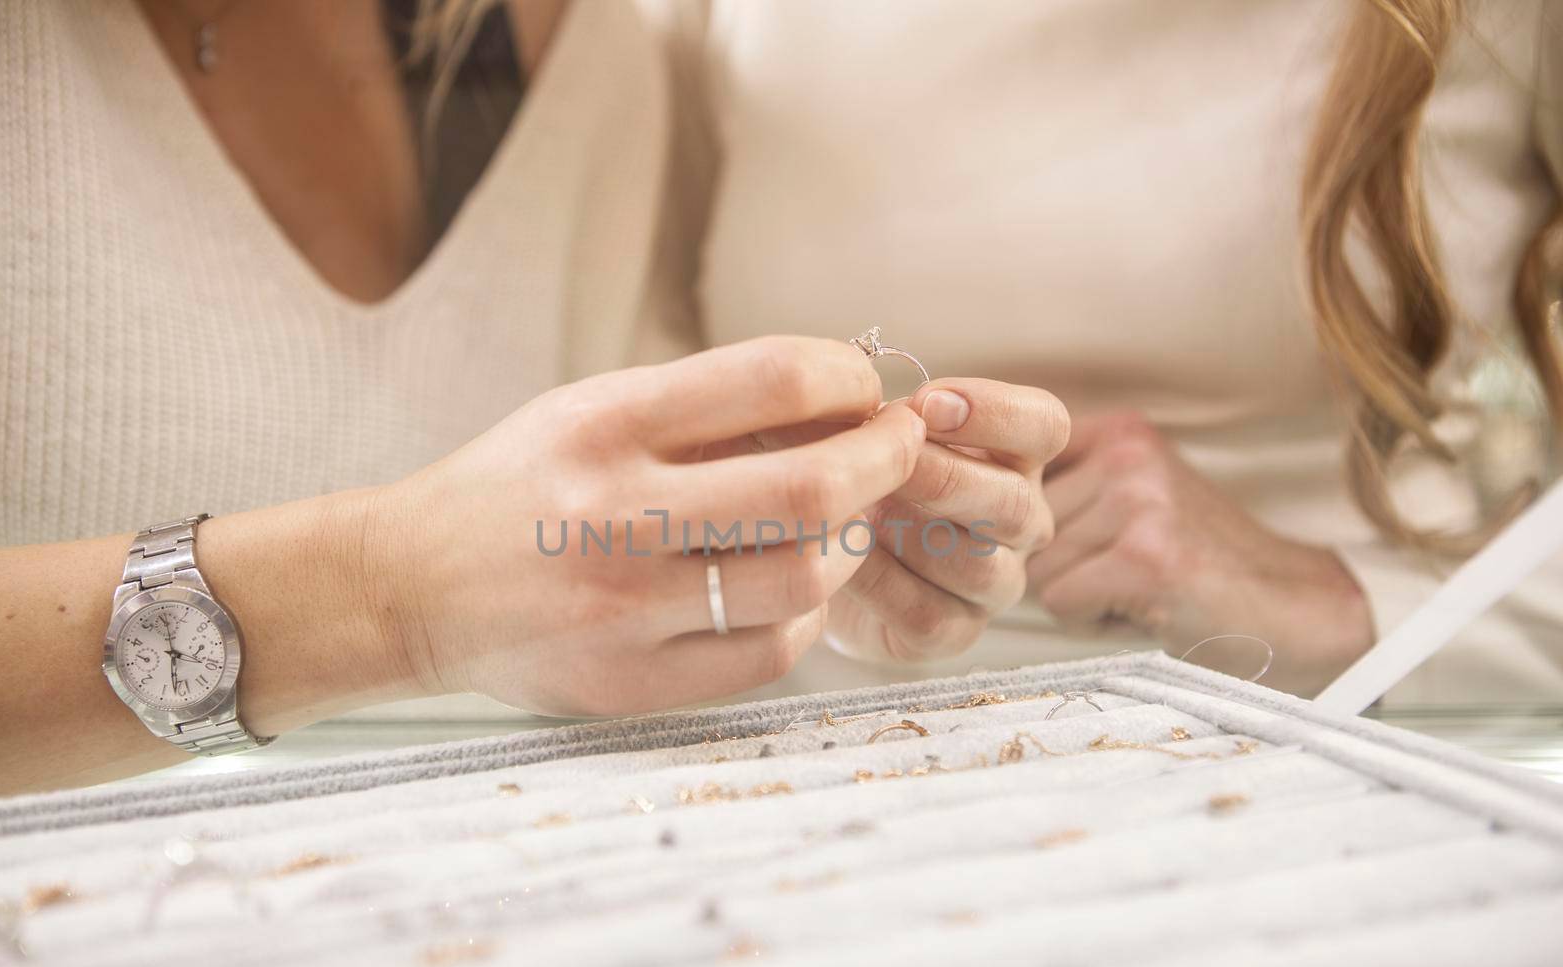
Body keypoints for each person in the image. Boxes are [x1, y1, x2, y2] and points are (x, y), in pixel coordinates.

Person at [0, 0, 1068, 796]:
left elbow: (577, 547)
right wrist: (390, 594)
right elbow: (465, 574)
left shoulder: (602, 53)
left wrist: (775, 558)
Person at [642, 0, 1563, 703]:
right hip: (788, 764)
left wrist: (1356, 609)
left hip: (1327, 742)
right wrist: (743, 534)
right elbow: (631, 371)